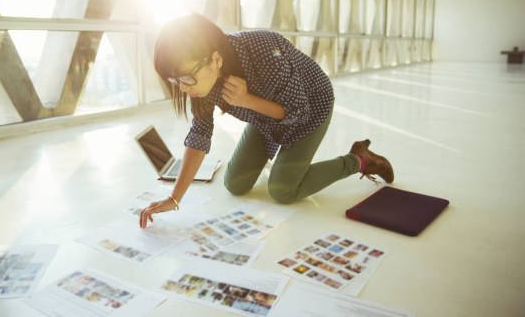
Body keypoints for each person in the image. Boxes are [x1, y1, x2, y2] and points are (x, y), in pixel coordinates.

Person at [139, 13, 393, 229]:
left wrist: (247, 100)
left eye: (186, 78)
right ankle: (285, 162)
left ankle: (360, 159)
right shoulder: (198, 84)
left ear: (216, 60)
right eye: (175, 81)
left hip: (311, 107)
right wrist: (174, 198)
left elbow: (297, 112)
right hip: (262, 116)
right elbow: (200, 134)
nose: (183, 88)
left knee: (283, 190)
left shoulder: (266, 50)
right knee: (235, 184)